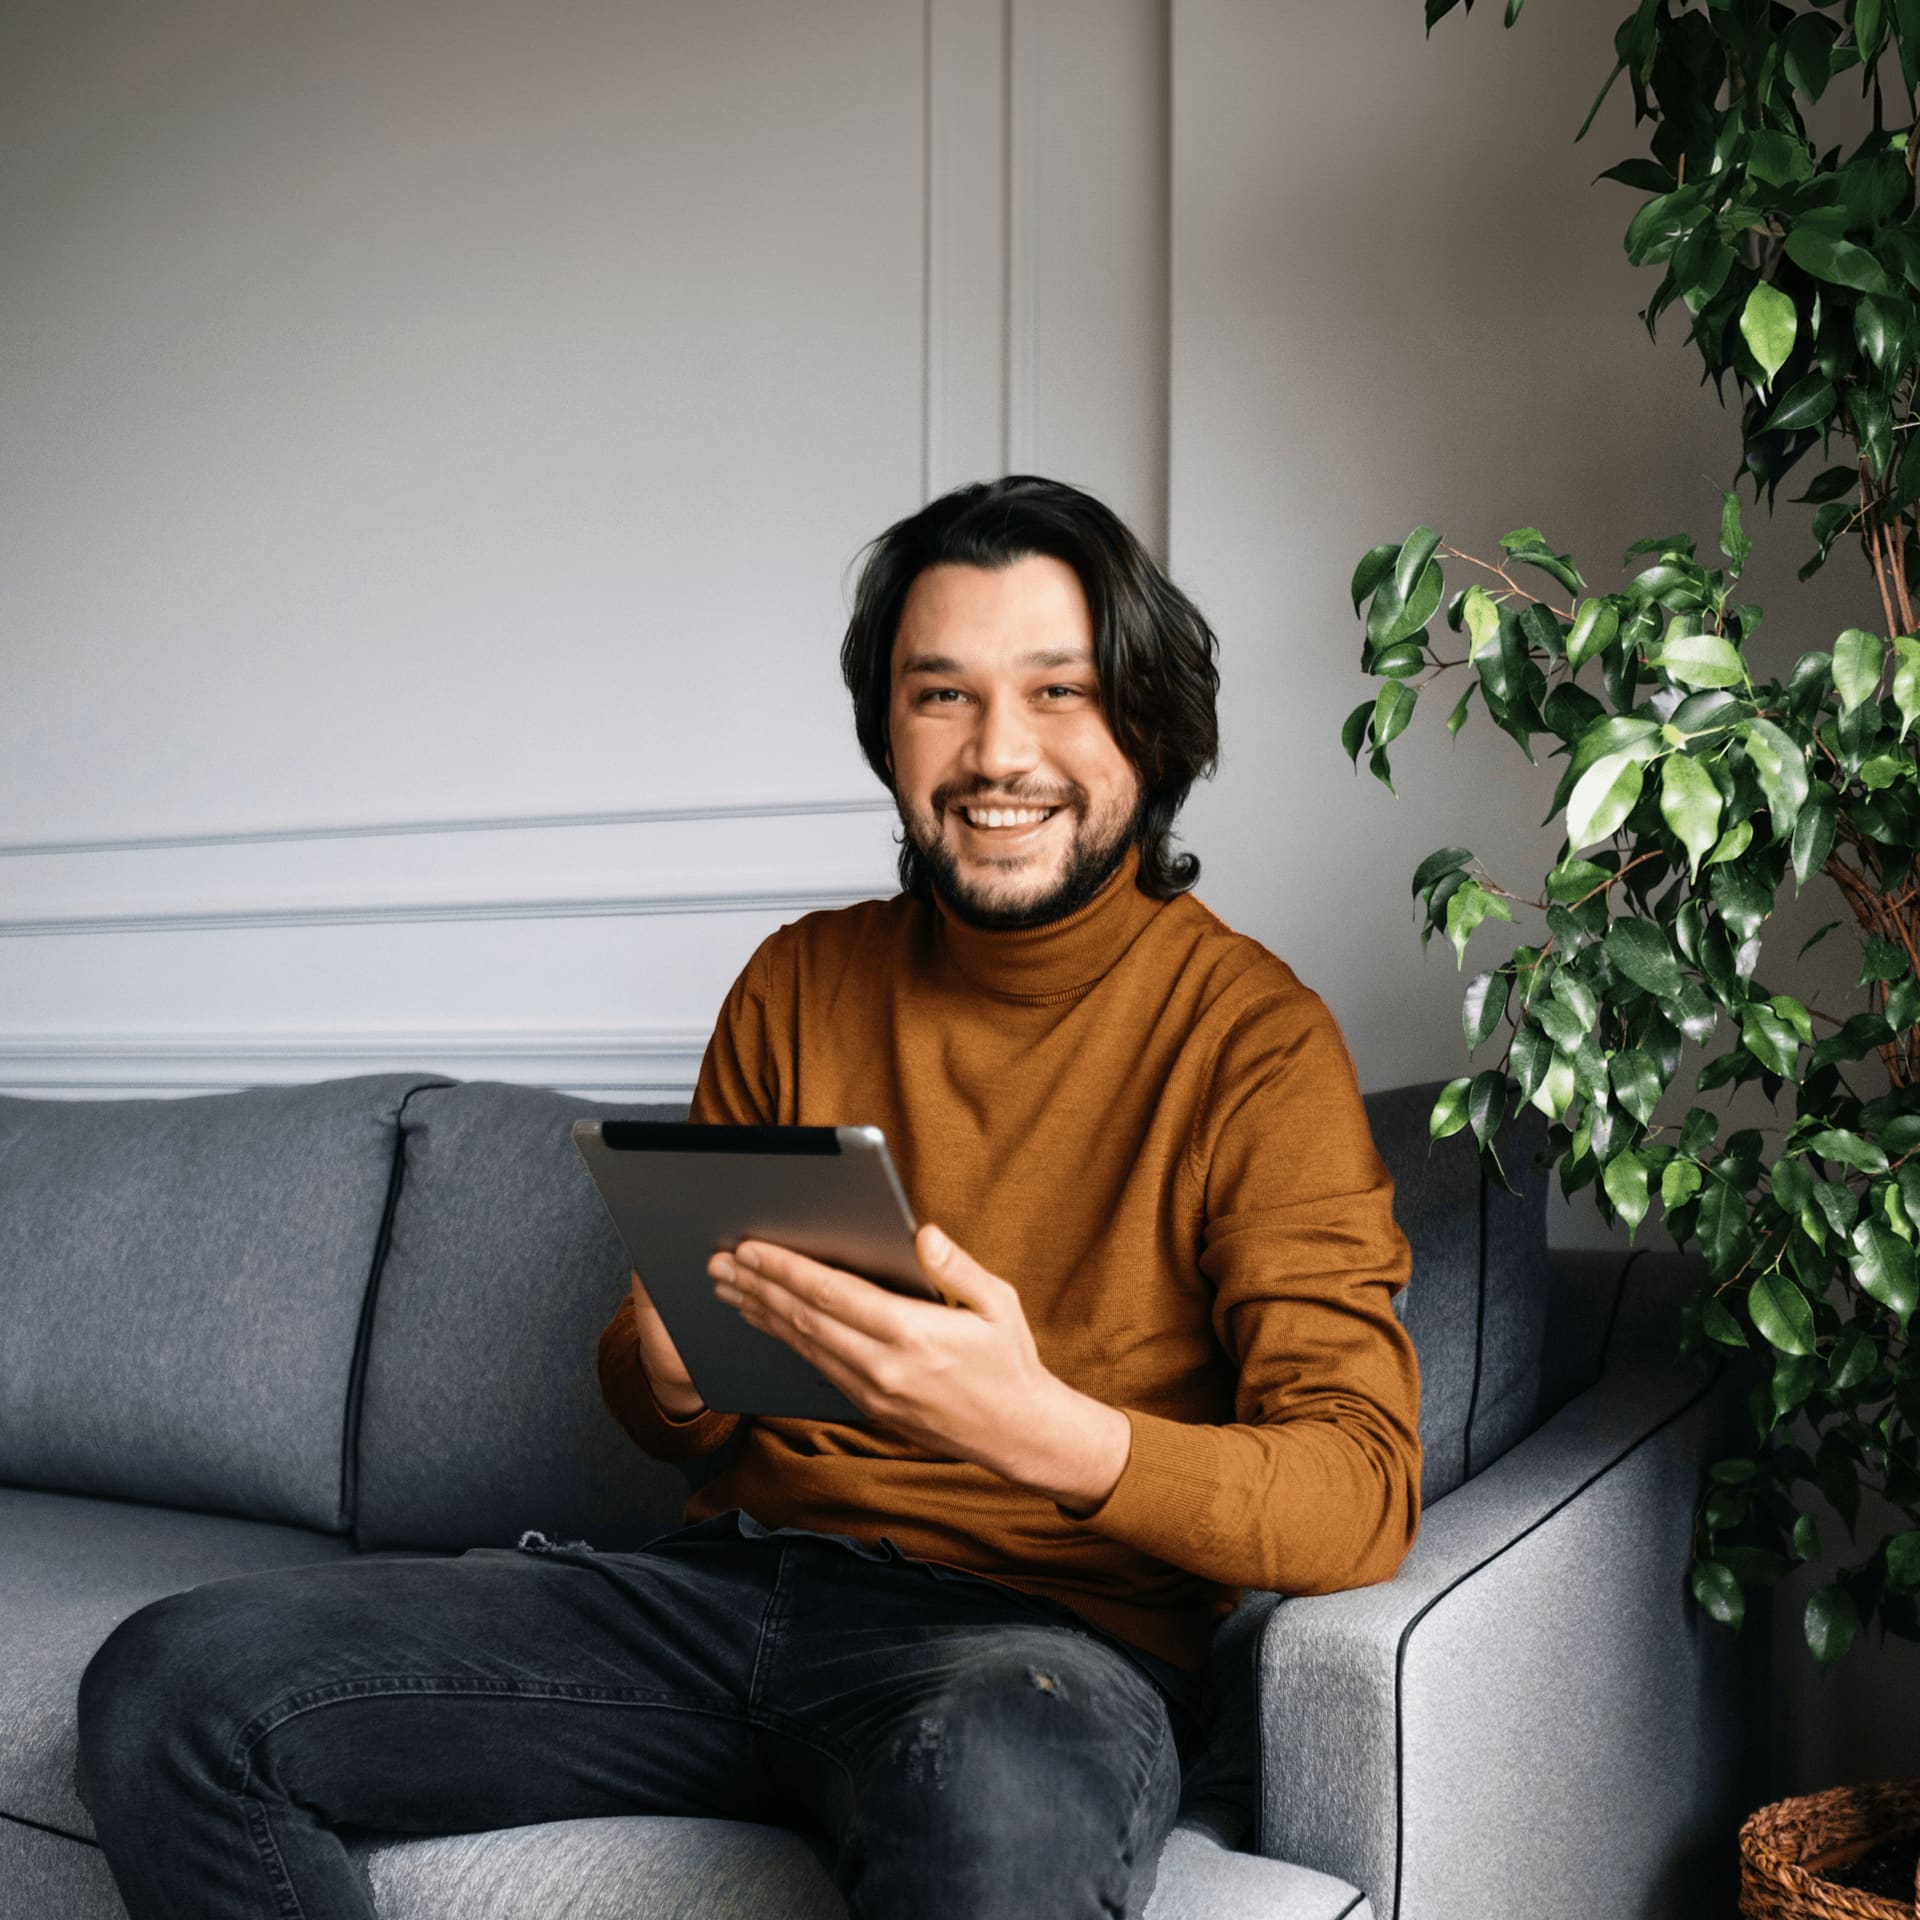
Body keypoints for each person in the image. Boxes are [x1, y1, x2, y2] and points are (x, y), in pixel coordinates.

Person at [76, 474, 1422, 1920]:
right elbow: (673, 1395)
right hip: (730, 1593)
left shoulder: (1256, 1042)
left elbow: (1361, 1490)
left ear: (1148, 730)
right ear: (886, 733)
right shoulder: (802, 979)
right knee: (174, 1690)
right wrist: (666, 1361)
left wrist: (1046, 1431)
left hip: (1042, 1644)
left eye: (1059, 693)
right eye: (941, 696)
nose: (998, 753)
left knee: (999, 1811)